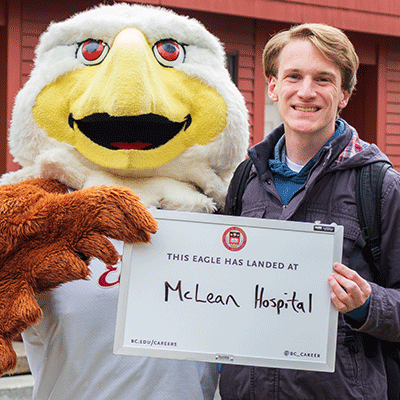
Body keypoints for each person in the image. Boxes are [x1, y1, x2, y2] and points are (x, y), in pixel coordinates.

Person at [220, 23, 400, 399]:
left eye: (323, 79)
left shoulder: (380, 186)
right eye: (294, 76)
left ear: (344, 94)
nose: (306, 91)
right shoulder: (244, 180)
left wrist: (367, 304)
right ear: (273, 87)